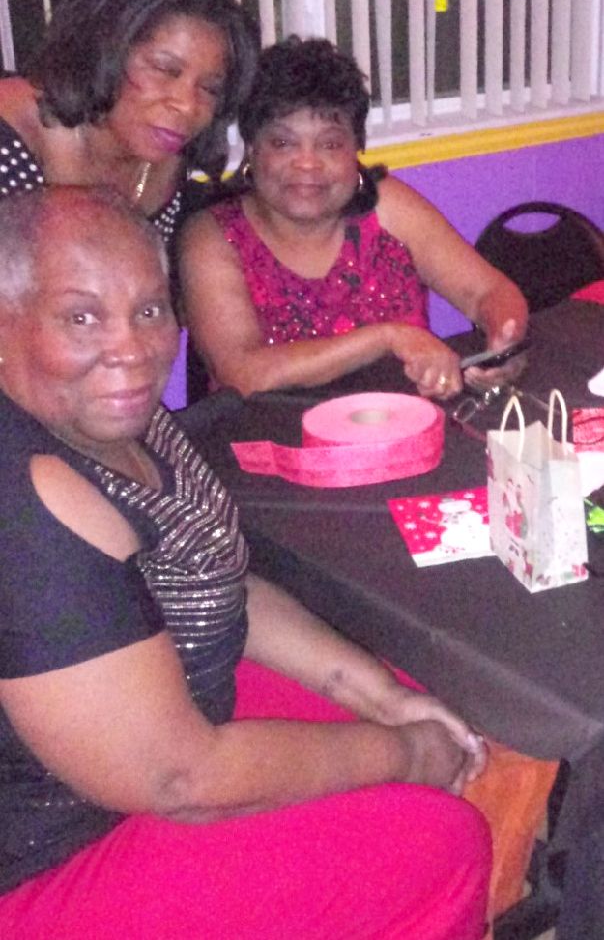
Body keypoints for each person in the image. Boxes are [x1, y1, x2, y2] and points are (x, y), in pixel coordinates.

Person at [0, 185, 491, 939]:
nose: (133, 349)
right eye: (81, 315)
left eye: (150, 308)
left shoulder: (109, 414)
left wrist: (384, 699)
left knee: (424, 699)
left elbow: (216, 578)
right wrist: (398, 751)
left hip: (162, 718)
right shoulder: (30, 506)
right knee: (442, 839)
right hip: (52, 861)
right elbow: (179, 777)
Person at [180, 36, 529, 399]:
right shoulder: (214, 236)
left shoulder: (388, 208)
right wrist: (387, 337)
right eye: (283, 143)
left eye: (330, 144)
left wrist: (506, 344)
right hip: (272, 442)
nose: (307, 163)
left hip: (403, 429)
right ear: (252, 149)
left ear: (355, 150)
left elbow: (489, 292)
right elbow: (242, 373)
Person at [0, 0, 258, 253]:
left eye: (210, 88)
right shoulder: (10, 136)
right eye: (165, 69)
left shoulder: (168, 166)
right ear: (104, 51)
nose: (187, 105)